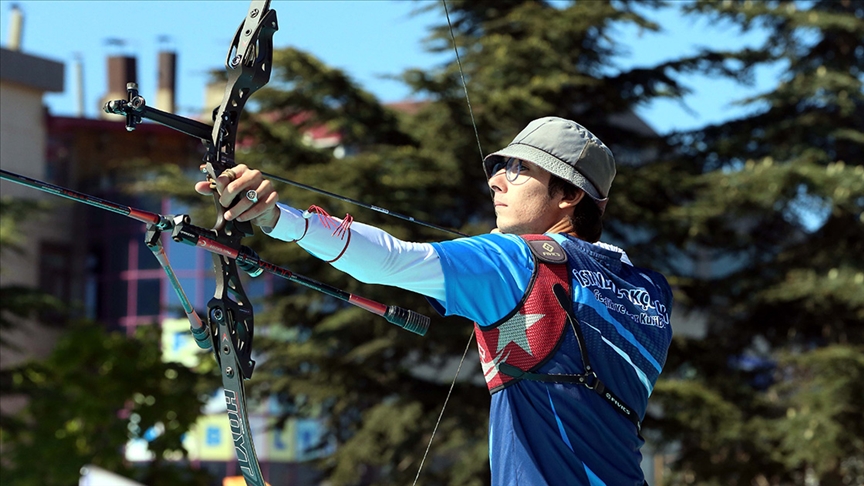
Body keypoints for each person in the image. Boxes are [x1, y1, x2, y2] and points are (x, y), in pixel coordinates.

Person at [196, 116, 673, 486]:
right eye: (500, 168)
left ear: (569, 193)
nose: (496, 181)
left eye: (519, 169)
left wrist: (279, 217)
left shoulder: (522, 261)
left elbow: (391, 261)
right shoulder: (651, 292)